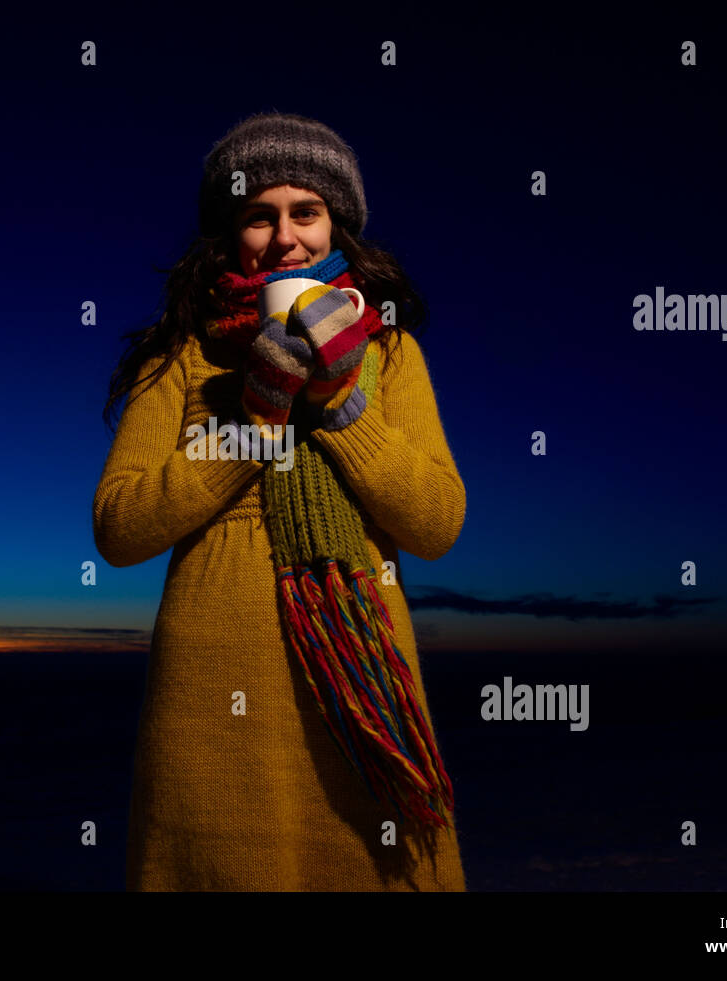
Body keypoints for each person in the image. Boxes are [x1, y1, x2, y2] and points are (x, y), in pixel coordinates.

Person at [93, 111, 468, 890]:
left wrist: (340, 406)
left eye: (306, 212)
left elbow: (436, 521)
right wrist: (252, 421)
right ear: (229, 234)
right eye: (258, 216)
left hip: (361, 688)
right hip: (209, 696)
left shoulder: (391, 353)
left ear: (339, 227)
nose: (285, 237)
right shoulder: (182, 361)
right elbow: (120, 527)